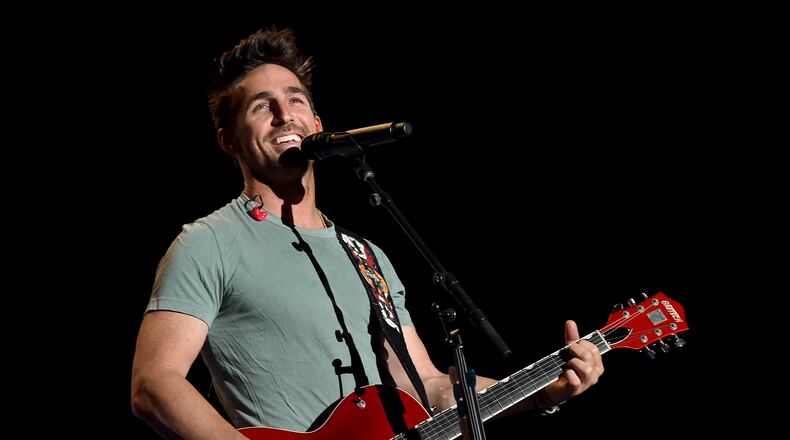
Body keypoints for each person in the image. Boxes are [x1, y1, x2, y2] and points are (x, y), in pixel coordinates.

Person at [131, 26, 604, 439]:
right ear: (229, 140)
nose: (284, 114)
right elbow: (154, 383)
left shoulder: (367, 256)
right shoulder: (208, 242)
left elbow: (428, 388)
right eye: (261, 106)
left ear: (317, 124)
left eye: (295, 99)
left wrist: (543, 392)